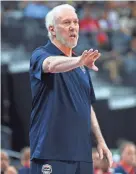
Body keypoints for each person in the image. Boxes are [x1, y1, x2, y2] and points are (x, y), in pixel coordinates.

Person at [29, 4, 112, 174]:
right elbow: (51, 65)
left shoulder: (81, 66)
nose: (73, 27)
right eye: (66, 22)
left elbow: (87, 105)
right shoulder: (40, 54)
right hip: (51, 152)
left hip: (82, 154)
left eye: (76, 22)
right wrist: (79, 61)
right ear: (52, 30)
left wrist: (101, 141)